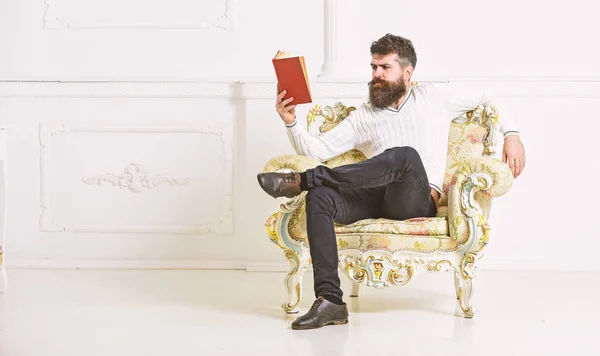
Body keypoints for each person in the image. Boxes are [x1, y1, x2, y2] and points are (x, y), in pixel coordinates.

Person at [257, 34, 526, 330]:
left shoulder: (433, 97)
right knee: (318, 197)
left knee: (405, 157)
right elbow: (317, 150)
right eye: (373, 67)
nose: (377, 75)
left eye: (385, 67)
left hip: (413, 199)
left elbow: (488, 94)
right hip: (369, 196)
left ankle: (305, 179)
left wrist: (511, 134)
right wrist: (290, 120)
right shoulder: (365, 116)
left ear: (407, 73)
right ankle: (330, 301)